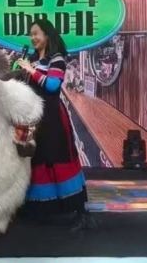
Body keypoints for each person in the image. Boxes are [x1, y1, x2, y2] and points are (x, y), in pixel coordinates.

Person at [14, 19, 93, 231]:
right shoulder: (32, 58)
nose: (32, 38)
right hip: (34, 117)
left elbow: (52, 85)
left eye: (36, 33)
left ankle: (77, 209)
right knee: (37, 159)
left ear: (47, 35)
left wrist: (31, 70)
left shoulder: (56, 58)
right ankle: (41, 208)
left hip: (52, 118)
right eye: (30, 34)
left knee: (58, 157)